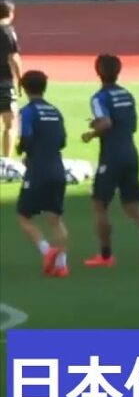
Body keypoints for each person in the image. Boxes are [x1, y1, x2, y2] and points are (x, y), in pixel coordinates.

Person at [81, 54, 139, 268]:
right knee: (132, 205)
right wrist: (101, 125)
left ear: (98, 71)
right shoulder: (127, 95)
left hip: (112, 156)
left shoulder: (99, 97)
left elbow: (107, 123)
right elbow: (130, 124)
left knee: (99, 204)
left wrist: (91, 133)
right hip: (130, 152)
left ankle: (105, 255)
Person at [14, 70, 70, 278]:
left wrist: (22, 150)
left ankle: (48, 252)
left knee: (24, 216)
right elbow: (62, 141)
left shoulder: (28, 111)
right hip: (57, 168)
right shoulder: (55, 111)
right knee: (55, 219)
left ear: (24, 88)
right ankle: (63, 265)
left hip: (38, 170)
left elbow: (26, 137)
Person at [0, 0, 22, 161]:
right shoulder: (8, 31)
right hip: (4, 81)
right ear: (11, 13)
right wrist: (20, 79)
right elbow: (13, 57)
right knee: (10, 122)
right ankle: (6, 161)